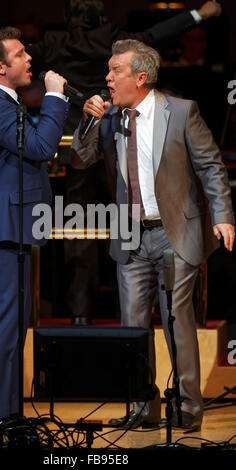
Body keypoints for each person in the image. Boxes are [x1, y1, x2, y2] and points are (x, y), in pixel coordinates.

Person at [0, 1, 223, 326]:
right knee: (134, 224)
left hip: (73, 146)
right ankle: (130, 317)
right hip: (111, 137)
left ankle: (81, 314)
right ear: (101, 15)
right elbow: (157, 34)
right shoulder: (112, 37)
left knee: (78, 232)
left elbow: (0, 57)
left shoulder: (55, 42)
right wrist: (199, 14)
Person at [70, 39, 235, 430]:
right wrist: (88, 119)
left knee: (178, 319)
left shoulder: (180, 112)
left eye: (116, 71)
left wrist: (224, 216)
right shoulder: (109, 117)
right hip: (131, 235)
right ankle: (142, 408)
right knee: (132, 326)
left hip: (175, 232)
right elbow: (78, 159)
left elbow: (211, 166)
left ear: (140, 77)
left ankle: (188, 407)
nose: (107, 78)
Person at [0, 27, 69, 422]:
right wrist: (54, 97)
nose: (30, 59)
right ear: (0, 67)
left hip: (5, 224)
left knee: (13, 321)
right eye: (20, 55)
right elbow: (39, 147)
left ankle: (3, 415)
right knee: (5, 321)